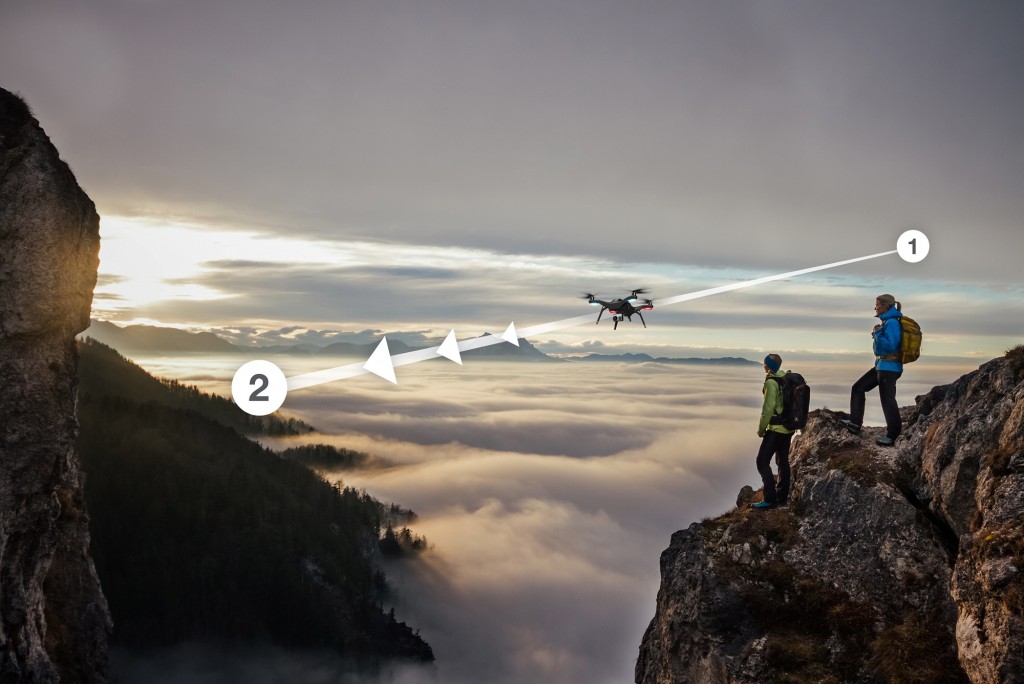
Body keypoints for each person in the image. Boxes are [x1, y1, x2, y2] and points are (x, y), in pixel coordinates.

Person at [840, 294, 903, 446]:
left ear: (886, 306)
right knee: (858, 388)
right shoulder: (887, 322)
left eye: (878, 305)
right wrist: (878, 332)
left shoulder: (892, 323)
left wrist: (878, 333)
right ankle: (855, 423)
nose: (875, 308)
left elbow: (891, 346)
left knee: (887, 400)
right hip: (881, 366)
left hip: (889, 368)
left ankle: (892, 435)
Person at [753, 353, 794, 510]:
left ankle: (770, 499)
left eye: (765, 363)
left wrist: (761, 429)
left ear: (769, 365)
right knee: (782, 461)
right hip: (788, 429)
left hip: (776, 429)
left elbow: (768, 408)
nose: (763, 365)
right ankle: (782, 497)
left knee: (762, 461)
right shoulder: (785, 376)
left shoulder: (771, 382)